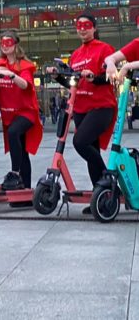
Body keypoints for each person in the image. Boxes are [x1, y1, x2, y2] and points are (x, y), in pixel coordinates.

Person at [50, 13, 116, 214]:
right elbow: (74, 84)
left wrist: (94, 77)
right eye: (79, 25)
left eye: (87, 25)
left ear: (94, 28)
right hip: (81, 108)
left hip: (101, 106)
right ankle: (102, 196)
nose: (82, 29)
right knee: (91, 150)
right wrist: (58, 77)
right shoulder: (76, 55)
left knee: (80, 142)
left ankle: (107, 178)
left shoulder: (105, 50)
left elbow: (110, 77)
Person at [0, 30, 42, 191]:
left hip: (26, 112)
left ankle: (15, 173)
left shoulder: (24, 66)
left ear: (15, 45)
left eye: (9, 43)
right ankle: (25, 188)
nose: (5, 46)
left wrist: (9, 74)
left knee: (14, 133)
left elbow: (26, 85)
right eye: (3, 43)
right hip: (9, 114)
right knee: (23, 150)